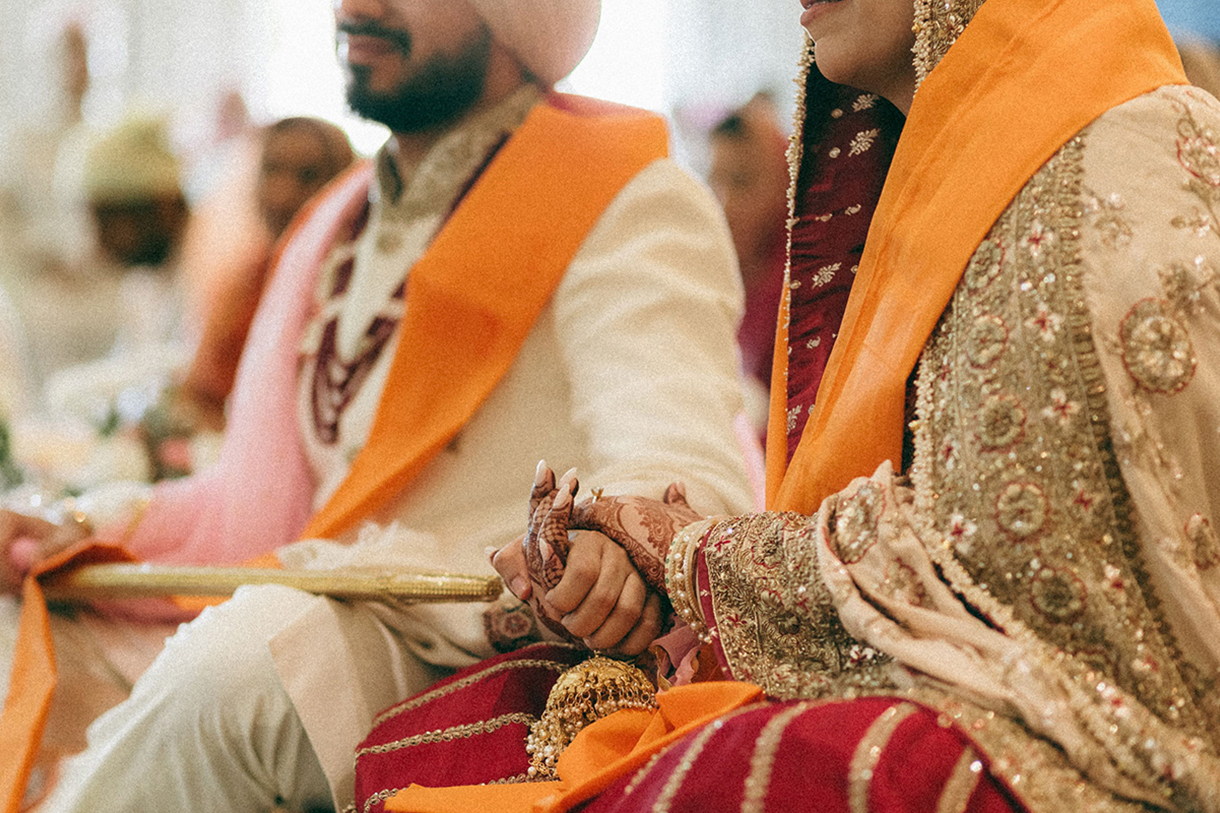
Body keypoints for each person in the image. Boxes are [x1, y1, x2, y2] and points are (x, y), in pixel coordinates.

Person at [355, 0, 1220, 811]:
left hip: (1091, 722)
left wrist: (685, 555)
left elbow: (1021, 577)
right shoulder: (916, 176)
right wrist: (627, 559)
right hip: (898, 661)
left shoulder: (1126, 150)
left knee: (766, 773)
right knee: (436, 734)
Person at [0, 0, 754, 810]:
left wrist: (615, 543)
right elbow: (253, 506)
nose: (355, 8)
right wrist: (81, 526)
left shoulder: (621, 192)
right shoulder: (340, 219)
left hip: (483, 642)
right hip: (317, 604)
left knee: (230, 677)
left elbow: (681, 460)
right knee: (24, 634)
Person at [179, 116, 356, 425]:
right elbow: (199, 390)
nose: (282, 194)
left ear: (341, 184)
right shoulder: (250, 277)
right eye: (272, 170)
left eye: (308, 176)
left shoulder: (351, 286)